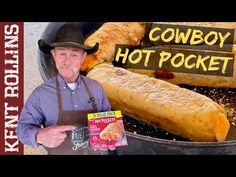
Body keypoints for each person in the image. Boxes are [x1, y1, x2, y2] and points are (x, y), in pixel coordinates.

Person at [16, 23, 111, 155]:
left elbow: (109, 122)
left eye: (74, 55)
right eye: (62, 54)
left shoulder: (96, 88)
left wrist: (110, 139)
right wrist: (39, 135)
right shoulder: (41, 95)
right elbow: (21, 129)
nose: (67, 61)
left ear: (83, 57)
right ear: (53, 55)